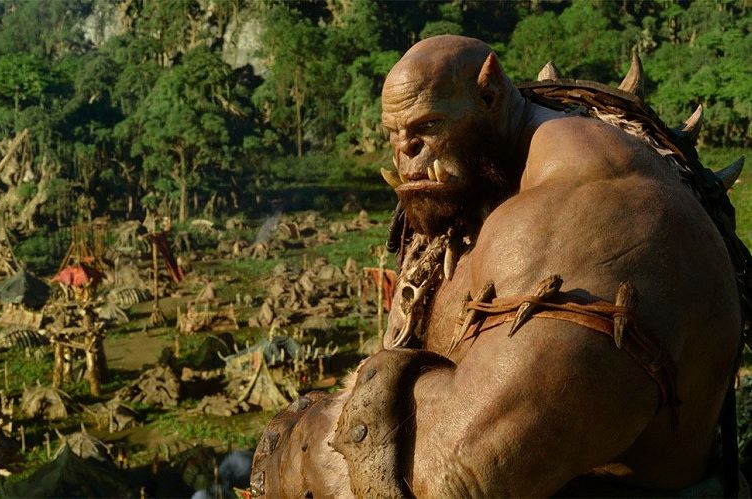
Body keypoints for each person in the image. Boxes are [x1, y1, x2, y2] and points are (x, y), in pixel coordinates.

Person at [250, 35, 751, 497]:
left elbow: (453, 476)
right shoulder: (500, 184)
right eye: (394, 134)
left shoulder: (588, 213)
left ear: (489, 93)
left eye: (428, 126)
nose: (405, 150)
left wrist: (301, 441)